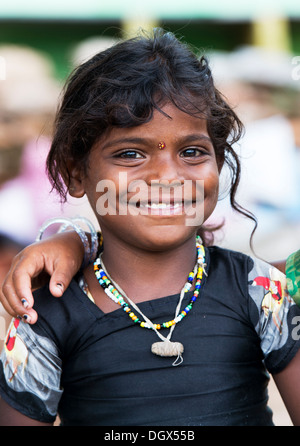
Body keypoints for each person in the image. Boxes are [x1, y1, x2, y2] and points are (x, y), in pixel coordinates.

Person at [1, 29, 300, 426]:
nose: (167, 176)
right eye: (130, 153)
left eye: (192, 151)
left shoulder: (262, 291)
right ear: (75, 172)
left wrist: (79, 239)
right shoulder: (45, 315)